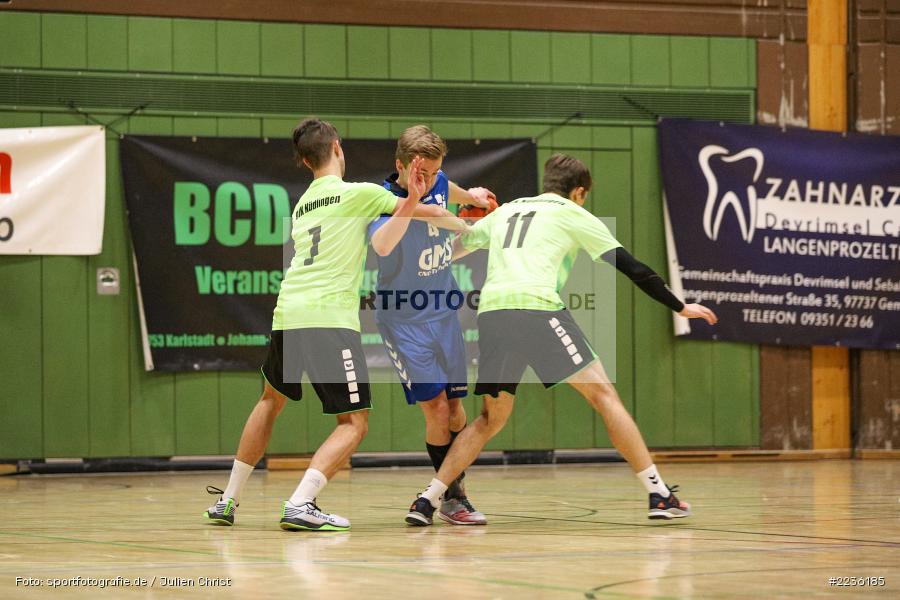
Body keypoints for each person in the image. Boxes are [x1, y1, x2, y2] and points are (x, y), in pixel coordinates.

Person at [405, 153, 718, 526]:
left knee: (490, 419)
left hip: (492, 313)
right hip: (536, 309)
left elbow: (453, 250)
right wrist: (679, 306)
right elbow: (632, 267)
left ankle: (427, 500)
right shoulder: (573, 214)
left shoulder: (511, 210)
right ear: (580, 192)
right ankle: (658, 494)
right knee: (604, 396)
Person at [203, 117, 465, 531]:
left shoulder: (303, 203)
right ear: (338, 149)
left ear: (306, 161)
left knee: (270, 402)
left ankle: (228, 501)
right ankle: (301, 502)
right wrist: (440, 206)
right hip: (328, 319)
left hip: (288, 313)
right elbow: (421, 213)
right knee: (354, 423)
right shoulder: (358, 193)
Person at [368, 126, 496, 525]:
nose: (429, 180)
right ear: (401, 166)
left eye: (435, 172)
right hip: (404, 319)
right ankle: (451, 497)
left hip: (444, 311)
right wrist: (413, 201)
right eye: (421, 173)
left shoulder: (437, 177)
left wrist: (469, 197)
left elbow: (446, 187)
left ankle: (453, 495)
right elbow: (382, 246)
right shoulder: (382, 200)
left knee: (456, 406)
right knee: (437, 410)